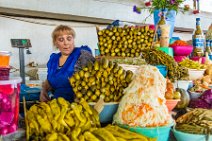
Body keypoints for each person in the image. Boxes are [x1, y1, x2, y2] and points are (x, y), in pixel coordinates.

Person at [40, 25, 95, 102]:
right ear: (55, 43)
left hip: (78, 106)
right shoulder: (53, 60)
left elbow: (93, 81)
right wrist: (44, 90)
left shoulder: (82, 55)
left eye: (69, 38)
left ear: (73, 40)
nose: (66, 43)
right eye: (61, 39)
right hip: (57, 105)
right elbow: (50, 80)